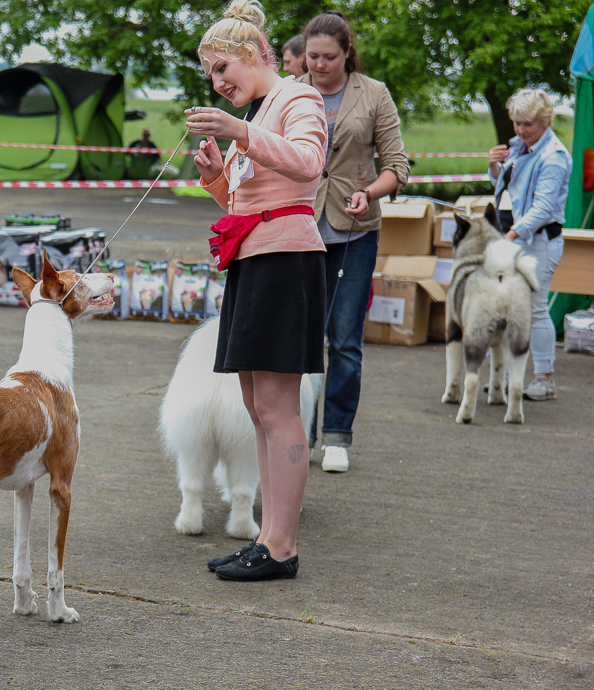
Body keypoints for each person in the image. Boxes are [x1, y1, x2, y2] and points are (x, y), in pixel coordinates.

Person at [186, 0, 327, 582]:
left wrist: (241, 132)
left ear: (253, 54)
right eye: (211, 76)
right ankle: (267, 538)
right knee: (256, 408)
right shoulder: (263, 109)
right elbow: (249, 205)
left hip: (286, 262)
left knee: (276, 408)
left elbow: (309, 164)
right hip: (256, 260)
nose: (219, 84)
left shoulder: (297, 97)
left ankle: (282, 547)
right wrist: (218, 177)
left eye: (223, 69)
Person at [299, 11, 410, 473]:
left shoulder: (374, 93)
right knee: (301, 339)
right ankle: (299, 433)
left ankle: (337, 435)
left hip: (353, 233)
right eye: (312, 56)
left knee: (343, 338)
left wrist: (370, 192)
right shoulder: (288, 92)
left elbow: (397, 166)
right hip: (299, 229)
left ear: (348, 53)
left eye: (329, 57)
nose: (319, 65)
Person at [488, 88, 571, 401]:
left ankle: (545, 379)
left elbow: (543, 208)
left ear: (546, 122)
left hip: (538, 241)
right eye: (516, 123)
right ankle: (509, 377)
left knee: (535, 309)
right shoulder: (519, 146)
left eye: (527, 125)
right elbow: (507, 187)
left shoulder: (554, 157)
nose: (520, 130)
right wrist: (495, 166)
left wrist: (510, 236)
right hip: (515, 235)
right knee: (510, 308)